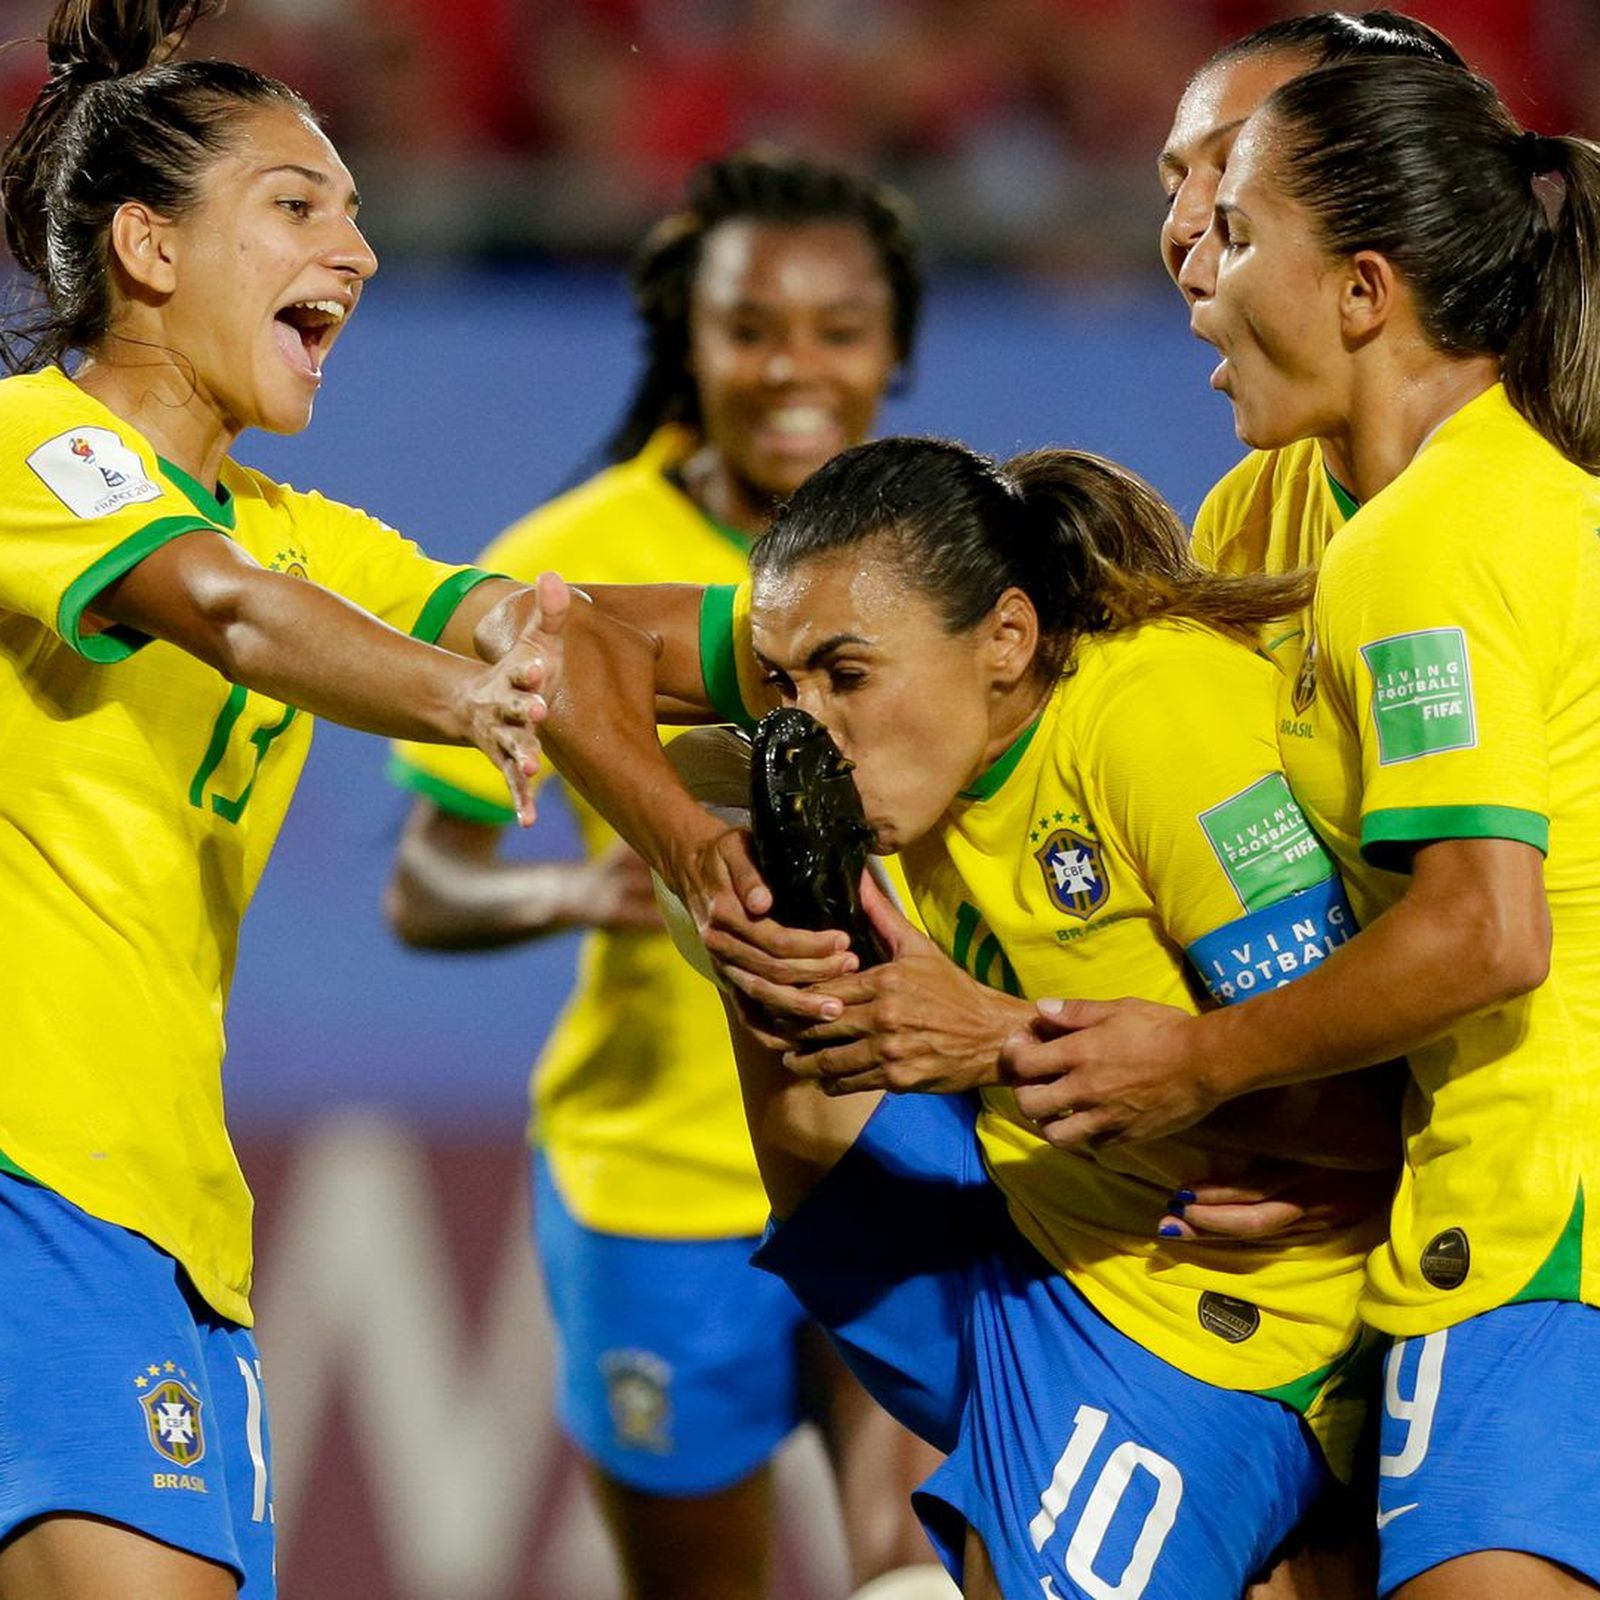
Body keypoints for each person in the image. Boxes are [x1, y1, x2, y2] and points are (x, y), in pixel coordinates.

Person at [536, 432, 1401, 1598]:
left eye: (845, 678)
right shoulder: (863, 679)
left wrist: (995, 1039)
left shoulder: (1159, 724)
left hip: (1208, 1315)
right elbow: (556, 631)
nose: (810, 726)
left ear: (1005, 637)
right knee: (723, 779)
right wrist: (693, 854)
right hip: (1020, 1226)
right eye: (784, 682)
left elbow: (1372, 1113)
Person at [1004, 57, 1600, 1600]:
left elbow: (1483, 926)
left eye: (1239, 227)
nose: (1198, 265)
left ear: (1361, 289)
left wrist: (1200, 1065)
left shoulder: (1425, 545)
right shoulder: (1538, 496)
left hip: (1539, 1224)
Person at [0, 3, 566, 1595]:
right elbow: (227, 612)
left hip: (170, 1213)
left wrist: (796, 661)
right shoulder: (36, 445)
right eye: (300, 205)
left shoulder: (292, 529)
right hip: (31, 1172)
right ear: (147, 248)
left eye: (362, 211)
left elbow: (536, 618)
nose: (359, 250)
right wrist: (464, 696)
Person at [383, 150, 951, 1600]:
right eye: (749, 328)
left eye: (837, 331)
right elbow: (423, 889)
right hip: (659, 1184)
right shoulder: (565, 568)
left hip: (898, 1140)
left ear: (894, 350)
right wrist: (573, 893)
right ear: (688, 344)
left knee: (926, 1559)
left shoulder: (932, 552)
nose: (791, 369)